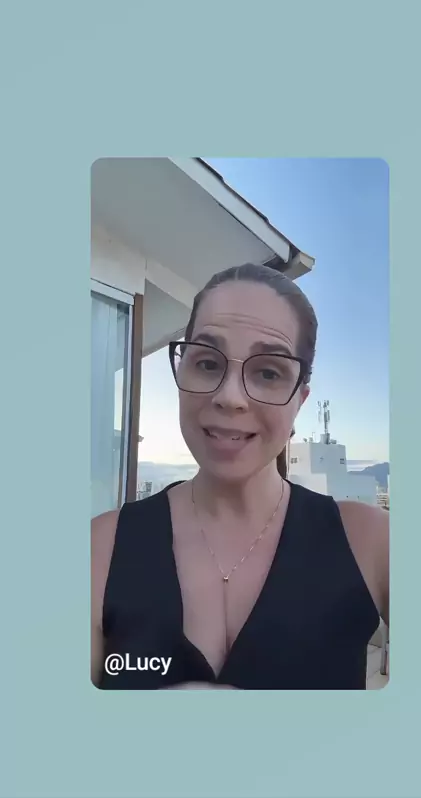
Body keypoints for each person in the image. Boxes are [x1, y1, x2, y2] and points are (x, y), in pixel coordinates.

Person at [91, 263, 389, 690]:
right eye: (207, 363)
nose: (230, 397)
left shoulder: (372, 543)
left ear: (300, 400)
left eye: (268, 372)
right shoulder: (99, 549)